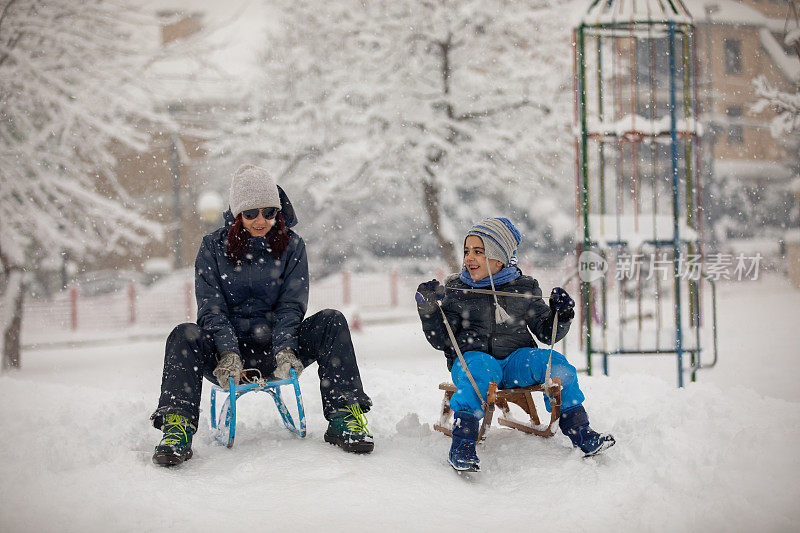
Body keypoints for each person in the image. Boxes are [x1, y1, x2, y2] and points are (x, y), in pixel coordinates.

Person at [150, 164, 373, 466]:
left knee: (332, 320)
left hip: (280, 350)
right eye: (251, 212)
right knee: (183, 334)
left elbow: (291, 306)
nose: (260, 220)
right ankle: (177, 430)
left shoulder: (292, 246)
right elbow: (211, 308)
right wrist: (227, 352)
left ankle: (344, 416)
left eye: (268, 212)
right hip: (224, 358)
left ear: (277, 212)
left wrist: (285, 351)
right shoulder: (212, 248)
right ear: (237, 213)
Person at [415, 217, 614, 472]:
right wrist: (429, 308)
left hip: (515, 361)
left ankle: (580, 430)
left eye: (479, 252)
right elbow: (441, 339)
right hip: (474, 360)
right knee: (479, 373)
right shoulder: (457, 289)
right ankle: (463, 443)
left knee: (556, 364)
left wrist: (560, 314)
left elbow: (545, 331)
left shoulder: (524, 287)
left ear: (500, 258)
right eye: (467, 251)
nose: (469, 258)